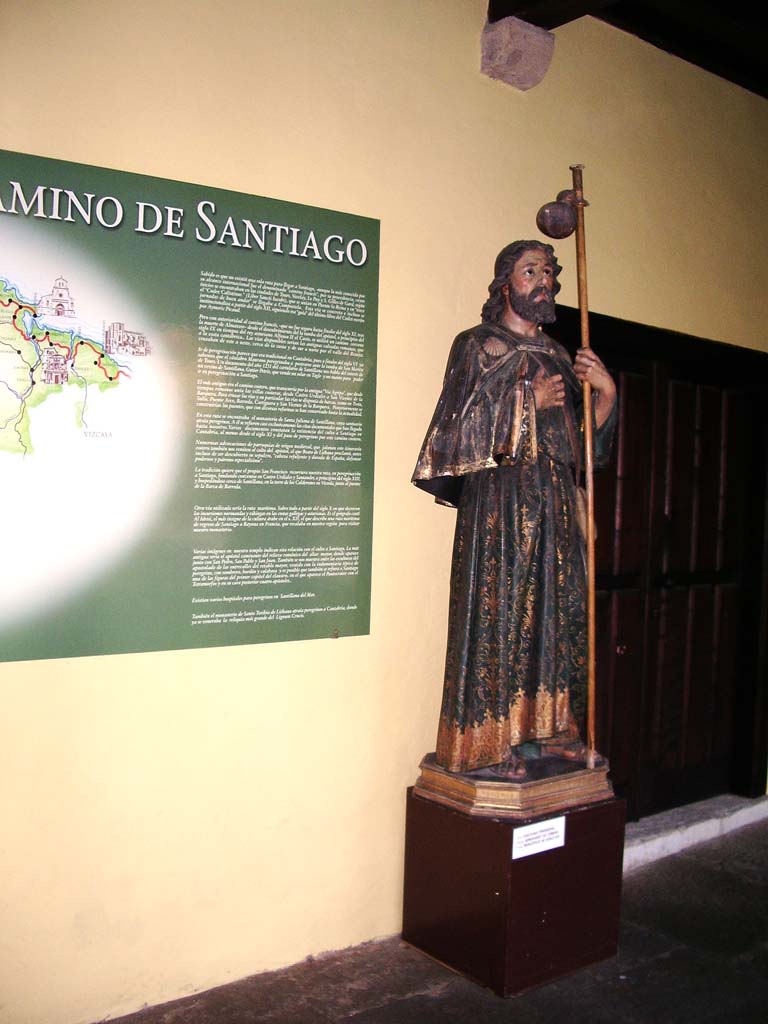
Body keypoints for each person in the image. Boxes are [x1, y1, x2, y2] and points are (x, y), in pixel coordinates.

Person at [412, 241, 616, 779]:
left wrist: (603, 399)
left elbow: (579, 450)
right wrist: (526, 402)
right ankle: (485, 746)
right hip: (499, 510)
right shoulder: (476, 346)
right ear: (506, 283)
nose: (544, 280)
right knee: (500, 618)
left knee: (555, 615)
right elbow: (454, 433)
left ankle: (547, 734)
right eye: (531, 271)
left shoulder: (556, 355)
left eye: (550, 271)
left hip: (551, 504)